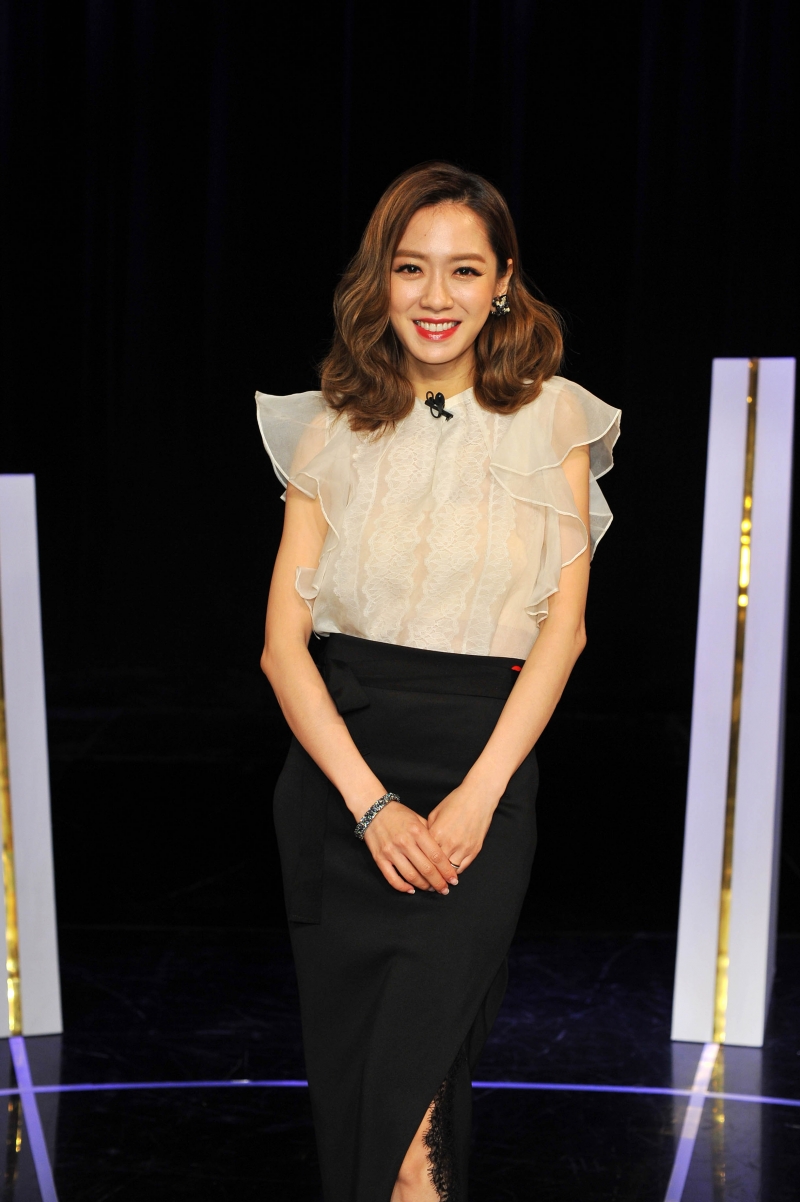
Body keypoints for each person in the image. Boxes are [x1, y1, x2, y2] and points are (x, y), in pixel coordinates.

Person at [257, 161, 620, 1202]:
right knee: (364, 1095)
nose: (435, 294)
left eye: (464, 269)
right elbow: (283, 647)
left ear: (503, 282)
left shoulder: (554, 421)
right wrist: (369, 806)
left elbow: (563, 632)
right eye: (411, 267)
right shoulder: (329, 427)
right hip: (342, 782)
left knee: (413, 1098)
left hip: (478, 780)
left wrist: (477, 798)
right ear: (380, 278)